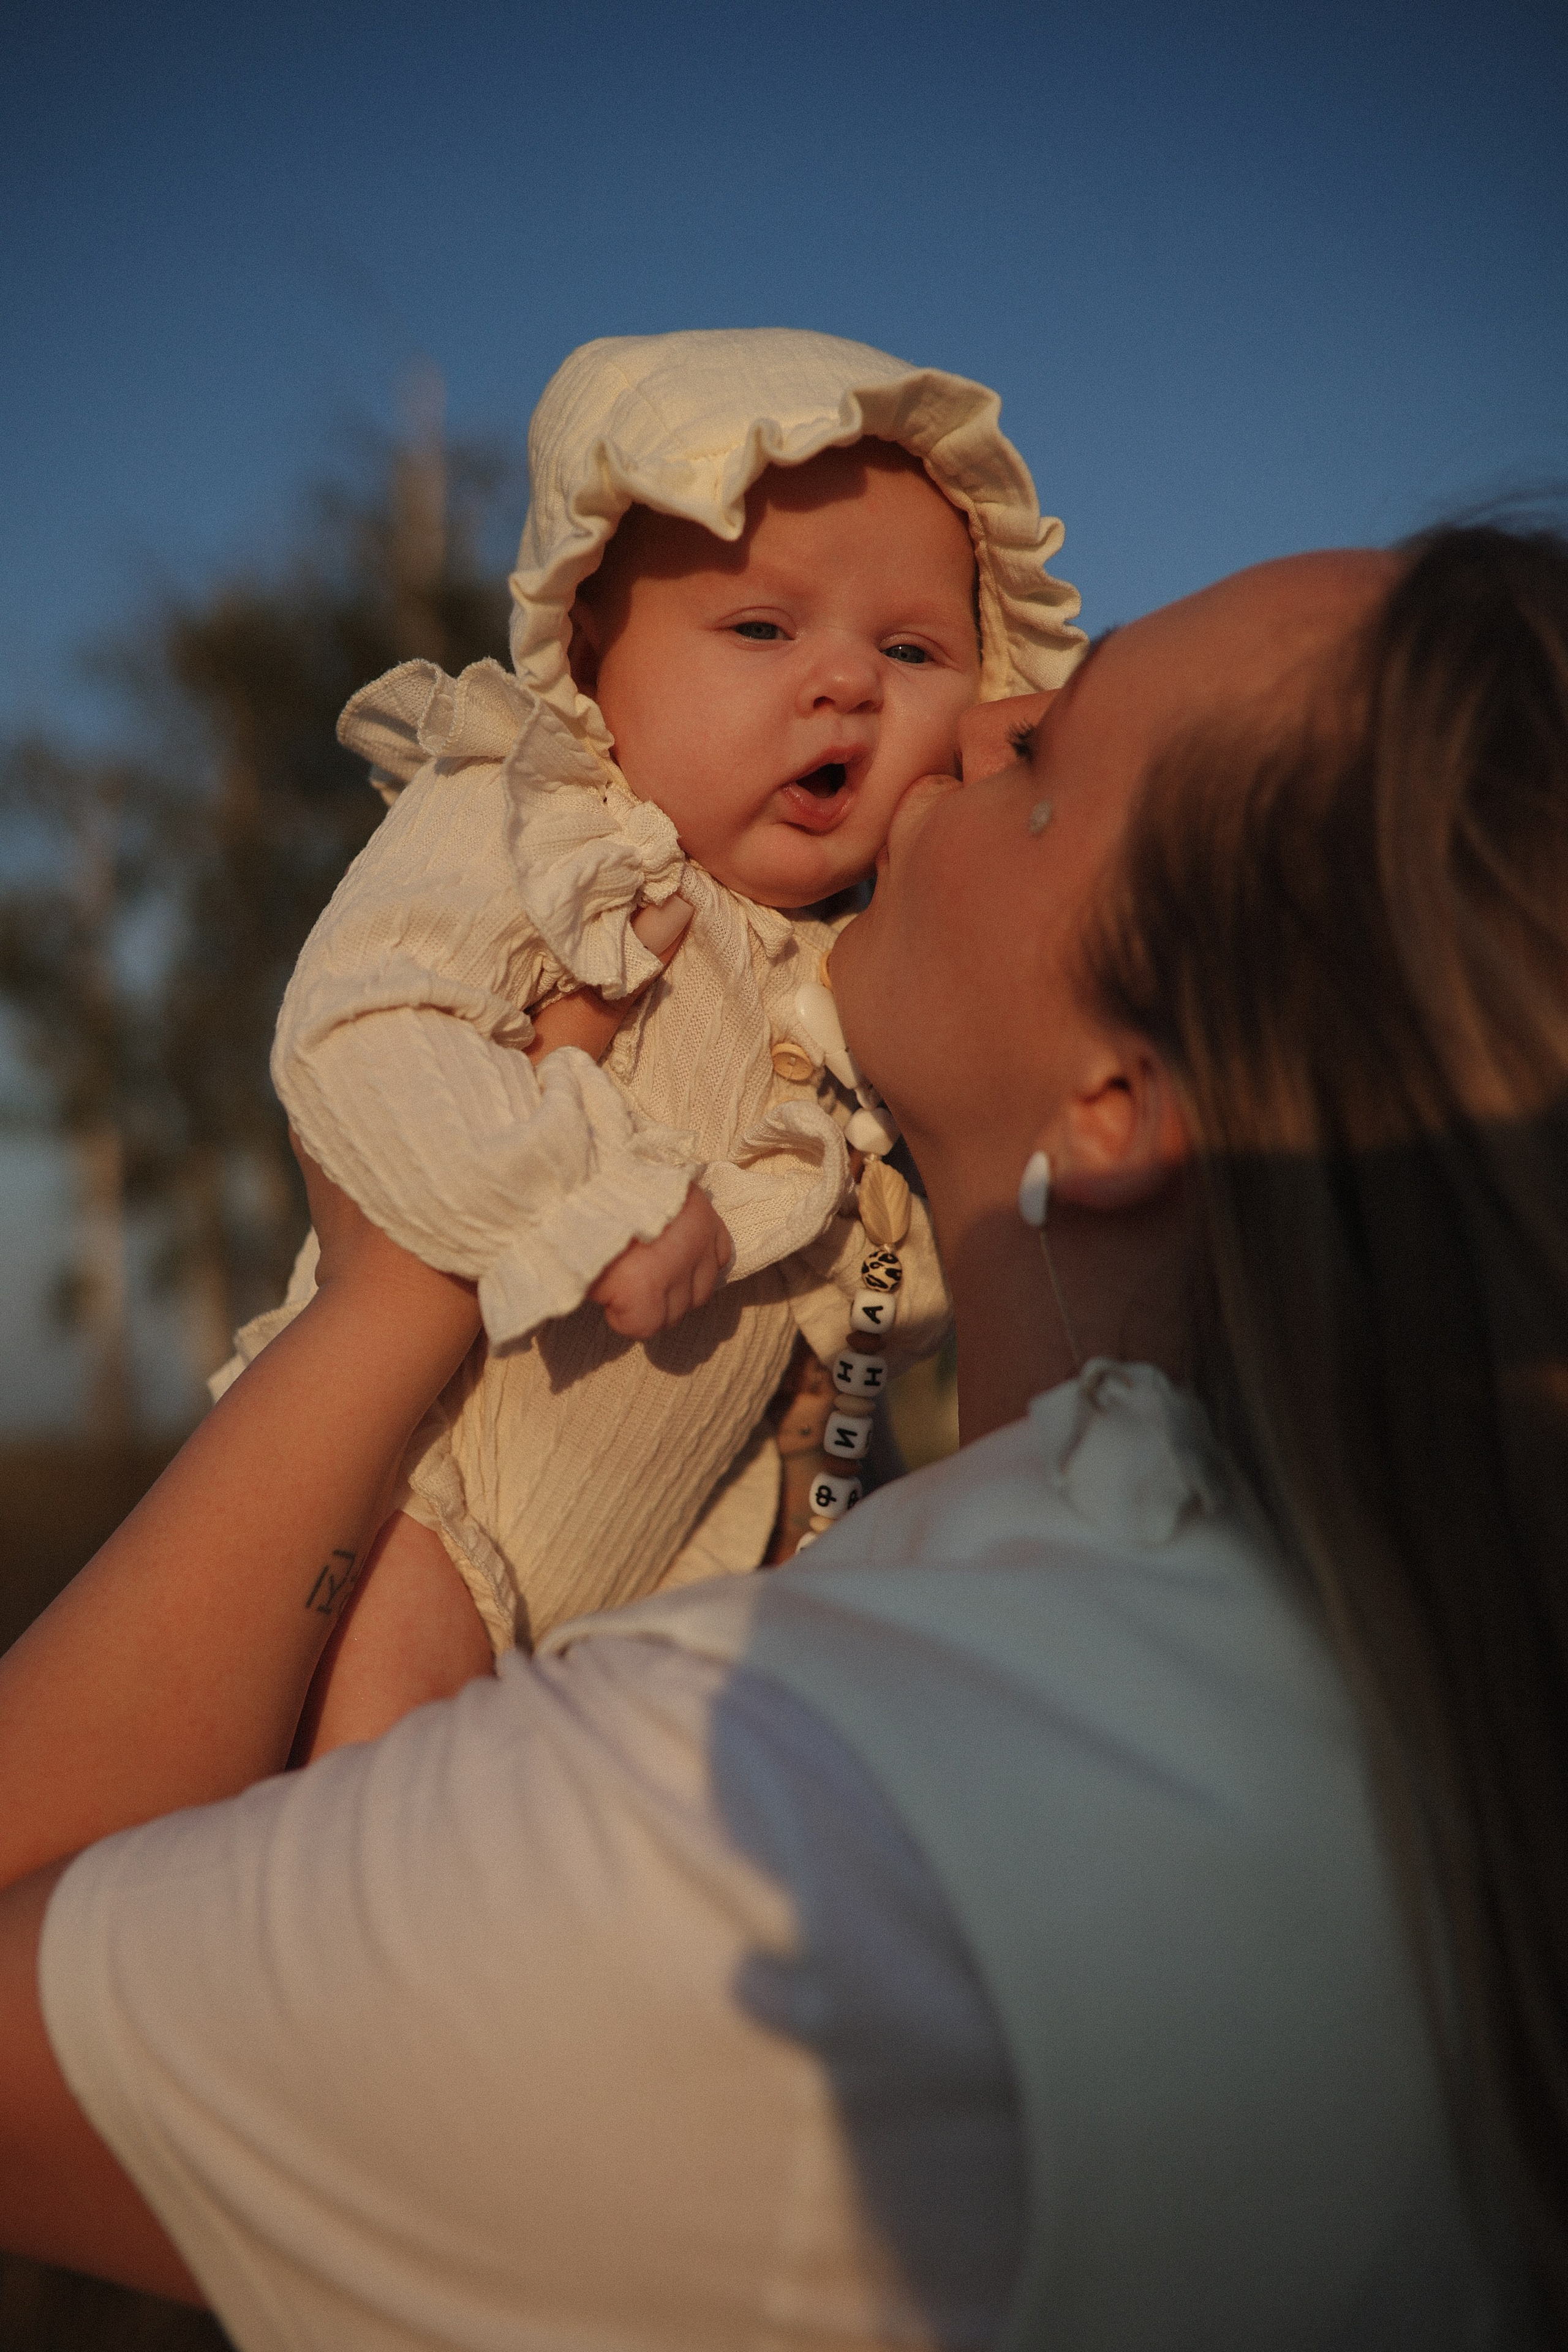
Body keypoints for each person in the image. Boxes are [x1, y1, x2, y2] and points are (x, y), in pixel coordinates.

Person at [2, 521, 1564, 2348]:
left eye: (1048, 768)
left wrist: (411, 1282)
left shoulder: (785, 1830)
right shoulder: (1378, 1666)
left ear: (1122, 1099)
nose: (977, 722)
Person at [234, 327, 1083, 1746]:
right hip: (423, 1508)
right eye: (760, 628)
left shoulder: (864, 967)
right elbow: (363, 1028)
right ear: (587, 654)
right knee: (370, 1840)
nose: (844, 685)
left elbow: (876, 1273)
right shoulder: (536, 818)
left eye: (911, 648)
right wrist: (584, 1195)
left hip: (667, 1581)